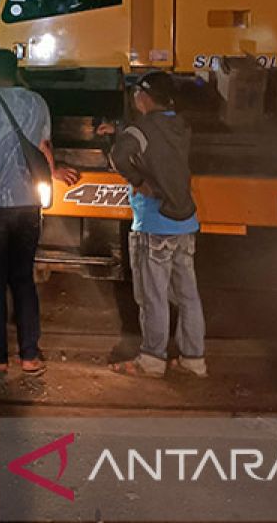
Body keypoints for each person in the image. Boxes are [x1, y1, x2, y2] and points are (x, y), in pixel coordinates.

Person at [0, 50, 79, 377]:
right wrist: (51, 173)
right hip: (27, 205)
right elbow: (43, 148)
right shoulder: (37, 102)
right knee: (23, 279)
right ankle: (30, 356)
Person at [99, 72, 206, 379]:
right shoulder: (180, 124)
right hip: (185, 222)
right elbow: (157, 135)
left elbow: (119, 155)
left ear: (145, 97)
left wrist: (138, 181)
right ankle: (193, 359)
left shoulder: (139, 128)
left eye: (136, 95)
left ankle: (152, 359)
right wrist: (121, 129)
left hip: (155, 222)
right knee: (188, 295)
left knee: (152, 295)